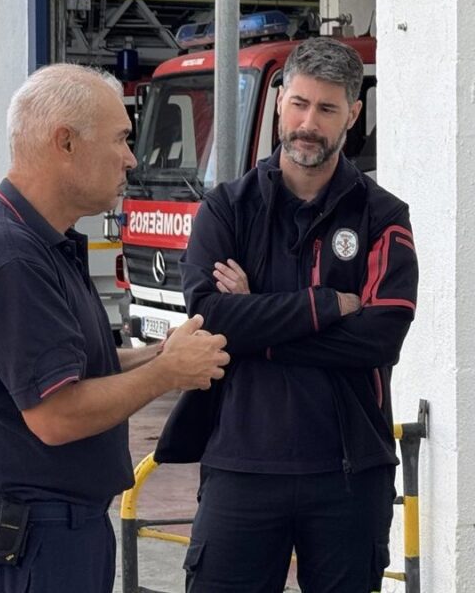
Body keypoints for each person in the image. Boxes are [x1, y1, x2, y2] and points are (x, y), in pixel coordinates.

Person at [0, 64, 229, 593]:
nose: (131, 159)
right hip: (27, 548)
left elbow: (76, 369)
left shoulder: (32, 240)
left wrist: (160, 354)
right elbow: (57, 415)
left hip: (36, 536)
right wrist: (169, 374)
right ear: (65, 142)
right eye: (120, 139)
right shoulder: (9, 258)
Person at [157, 37, 418, 592]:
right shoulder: (226, 208)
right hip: (240, 467)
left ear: (353, 112)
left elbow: (379, 339)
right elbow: (208, 317)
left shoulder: (383, 215)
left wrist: (253, 319)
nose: (309, 123)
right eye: (299, 103)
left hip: (349, 474)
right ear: (279, 102)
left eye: (326, 108)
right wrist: (326, 305)